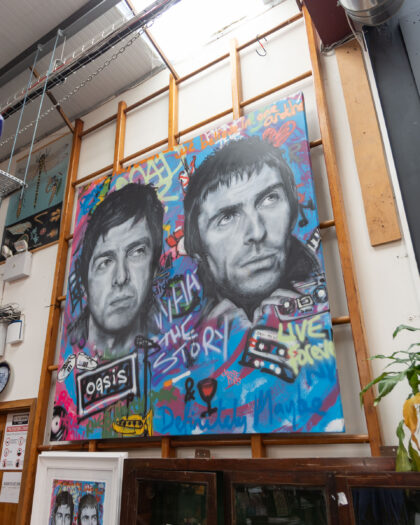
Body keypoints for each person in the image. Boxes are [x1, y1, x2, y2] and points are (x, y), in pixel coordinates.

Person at [184, 136, 320, 324]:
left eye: (269, 199)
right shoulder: (188, 327)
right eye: (227, 217)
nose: (257, 232)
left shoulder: (321, 294)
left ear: (293, 209)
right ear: (197, 247)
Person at [69, 182, 164, 358]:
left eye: (136, 252)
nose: (121, 277)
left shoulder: (166, 344)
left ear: (154, 269)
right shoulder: (72, 353)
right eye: (105, 262)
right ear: (83, 284)